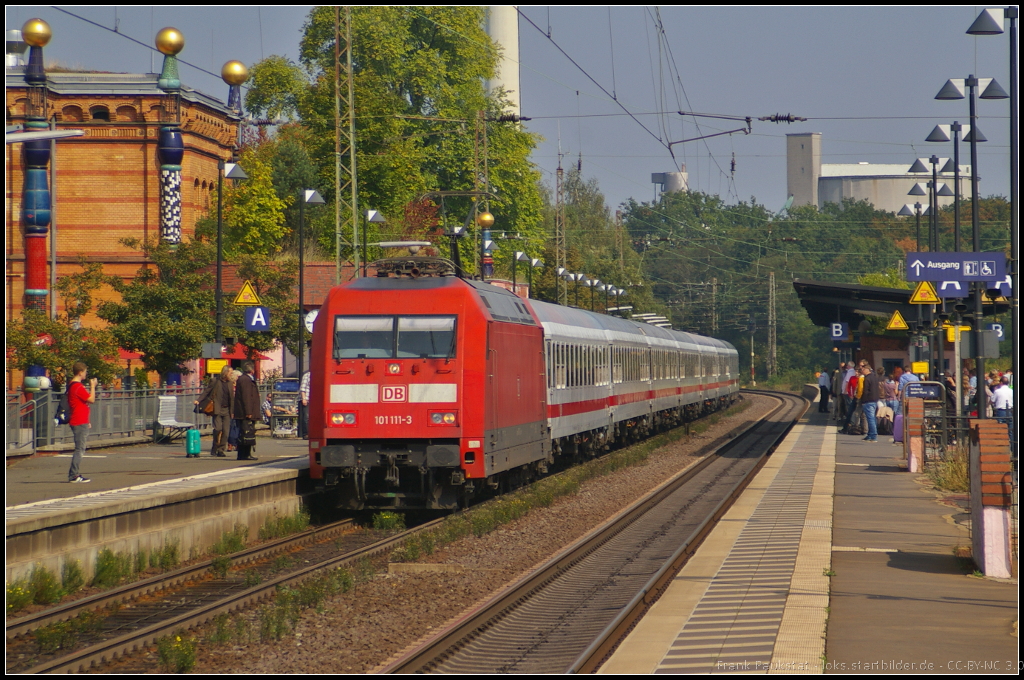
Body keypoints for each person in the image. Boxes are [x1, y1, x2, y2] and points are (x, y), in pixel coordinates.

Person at [66, 362, 97, 483]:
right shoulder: (78, 387)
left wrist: (87, 420)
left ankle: (74, 474)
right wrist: (92, 386)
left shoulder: (72, 386)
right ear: (80, 372)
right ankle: (73, 475)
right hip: (79, 421)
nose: (86, 374)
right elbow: (91, 399)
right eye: (85, 372)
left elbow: (81, 404)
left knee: (80, 448)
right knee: (80, 449)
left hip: (80, 420)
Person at [194, 366, 232, 457]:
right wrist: (198, 400)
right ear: (225, 373)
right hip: (217, 408)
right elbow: (206, 392)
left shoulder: (230, 383)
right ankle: (215, 447)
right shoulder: (215, 381)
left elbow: (232, 398)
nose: (232, 374)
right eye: (230, 372)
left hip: (227, 409)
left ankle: (221, 449)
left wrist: (233, 410)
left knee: (226, 431)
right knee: (218, 428)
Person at [232, 361, 260, 461]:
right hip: (246, 413)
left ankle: (245, 453)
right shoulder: (245, 380)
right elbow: (246, 397)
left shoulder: (245, 379)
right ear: (252, 370)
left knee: (247, 433)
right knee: (246, 433)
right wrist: (248, 411)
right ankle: (244, 454)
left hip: (246, 412)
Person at [860, 365, 881, 442]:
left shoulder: (867, 379)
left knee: (870, 418)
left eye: (863, 369)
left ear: (867, 369)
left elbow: (865, 391)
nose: (862, 371)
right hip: (875, 400)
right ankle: (870, 434)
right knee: (873, 418)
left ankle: (873, 435)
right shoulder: (875, 377)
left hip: (868, 400)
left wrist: (863, 400)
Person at [299, 370, 311, 439]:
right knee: (306, 417)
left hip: (315, 400)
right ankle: (306, 434)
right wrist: (304, 398)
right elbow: (302, 389)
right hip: (307, 399)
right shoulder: (307, 375)